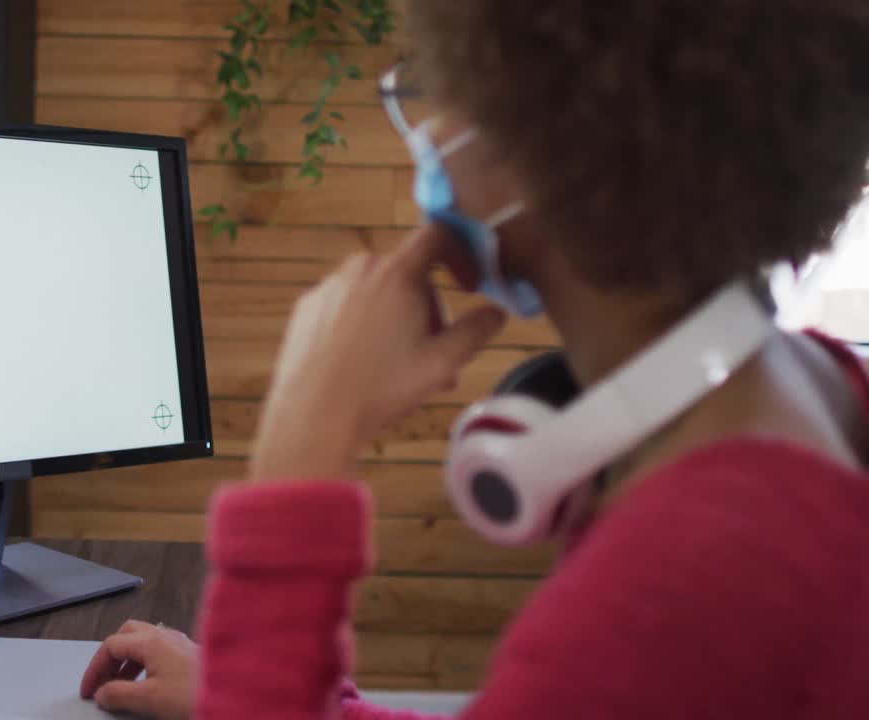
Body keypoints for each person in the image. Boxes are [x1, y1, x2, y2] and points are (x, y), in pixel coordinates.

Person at [79, 1, 869, 718]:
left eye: (451, 98)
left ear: (546, 151)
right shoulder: (816, 385)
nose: (429, 134)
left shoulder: (686, 581)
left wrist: (301, 456)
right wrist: (260, 694)